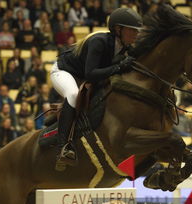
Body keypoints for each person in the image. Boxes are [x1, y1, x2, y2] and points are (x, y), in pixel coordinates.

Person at [50, 8, 142, 167]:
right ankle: (63, 147)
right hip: (64, 71)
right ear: (118, 29)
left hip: (83, 75)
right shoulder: (98, 41)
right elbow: (91, 73)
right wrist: (119, 67)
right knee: (72, 94)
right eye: (132, 30)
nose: (136, 34)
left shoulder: (124, 46)